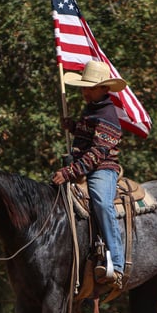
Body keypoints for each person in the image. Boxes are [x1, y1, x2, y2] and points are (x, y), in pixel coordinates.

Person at [51, 60, 126, 289]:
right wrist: (73, 127)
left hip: (102, 168)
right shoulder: (92, 109)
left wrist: (69, 171)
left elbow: (97, 152)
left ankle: (118, 264)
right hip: (81, 165)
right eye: (84, 87)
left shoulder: (108, 114)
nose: (85, 91)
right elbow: (89, 136)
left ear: (105, 89)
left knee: (102, 203)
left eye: (90, 87)